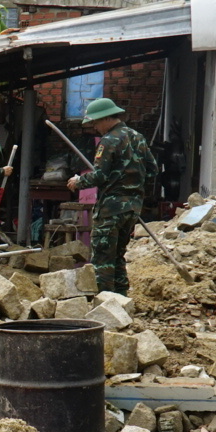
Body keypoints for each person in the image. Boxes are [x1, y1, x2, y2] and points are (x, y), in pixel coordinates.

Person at [65, 97, 156, 297]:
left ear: (106, 118)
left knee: (103, 258)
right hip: (132, 208)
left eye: (95, 122)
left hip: (111, 208)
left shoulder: (108, 141)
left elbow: (100, 175)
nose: (95, 127)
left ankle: (105, 301)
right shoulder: (137, 137)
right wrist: (134, 189)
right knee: (118, 255)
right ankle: (122, 298)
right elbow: (152, 170)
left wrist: (78, 181)